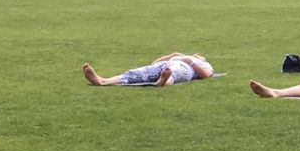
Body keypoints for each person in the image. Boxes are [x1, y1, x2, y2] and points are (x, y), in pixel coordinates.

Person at [82, 53, 214, 86]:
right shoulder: (179, 56)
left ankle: (163, 81)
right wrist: (174, 55)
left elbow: (207, 75)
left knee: (173, 73)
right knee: (136, 73)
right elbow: (154, 63)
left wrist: (190, 60)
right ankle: (103, 81)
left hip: (185, 69)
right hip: (164, 64)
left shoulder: (204, 64)